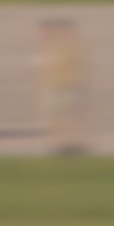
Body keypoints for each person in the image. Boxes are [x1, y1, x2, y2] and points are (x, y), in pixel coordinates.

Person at [37, 19, 88, 156]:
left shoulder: (72, 44)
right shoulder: (51, 45)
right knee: (56, 116)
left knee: (68, 116)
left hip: (66, 85)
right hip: (53, 85)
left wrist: (48, 61)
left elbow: (66, 62)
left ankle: (72, 144)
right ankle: (61, 143)